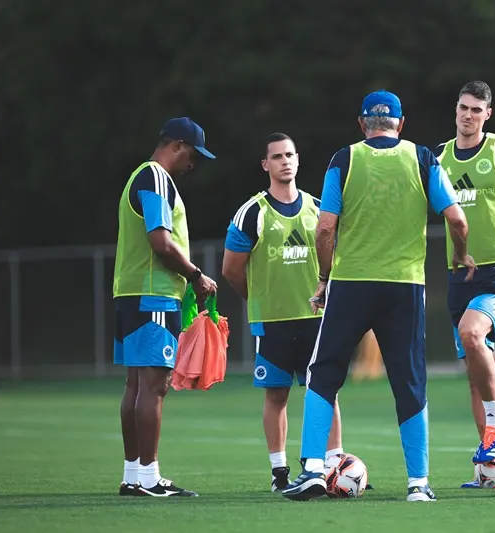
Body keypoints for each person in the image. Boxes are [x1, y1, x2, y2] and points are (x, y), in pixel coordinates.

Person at [282, 90, 475, 502]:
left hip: (351, 283)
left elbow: (324, 228)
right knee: (410, 382)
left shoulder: (345, 159)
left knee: (323, 373)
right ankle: (418, 484)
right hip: (405, 285)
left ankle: (314, 469)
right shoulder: (423, 158)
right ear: (400, 124)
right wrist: (461, 255)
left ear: (361, 124)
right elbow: (457, 220)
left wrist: (323, 276)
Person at [221, 133, 345, 492]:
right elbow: (231, 270)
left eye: (289, 154)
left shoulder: (318, 208)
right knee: (276, 395)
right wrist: (258, 297)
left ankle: (335, 467)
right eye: (276, 156)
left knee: (325, 392)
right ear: (266, 165)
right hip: (272, 323)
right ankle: (280, 473)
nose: (284, 161)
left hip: (316, 318)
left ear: (298, 159)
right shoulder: (252, 213)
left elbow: (336, 258)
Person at [113, 117, 218, 497]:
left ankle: (132, 475)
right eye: (193, 154)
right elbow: (160, 241)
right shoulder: (156, 177)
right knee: (154, 387)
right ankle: (149, 476)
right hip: (154, 294)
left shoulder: (136, 176)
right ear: (177, 145)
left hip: (129, 292)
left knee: (135, 386)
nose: (194, 163)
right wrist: (195, 275)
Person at [433, 80, 495, 486]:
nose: (468, 115)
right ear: (455, 109)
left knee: (472, 334)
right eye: (462, 108)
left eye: (476, 109)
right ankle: (492, 462)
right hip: (461, 274)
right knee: (475, 370)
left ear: (487, 114)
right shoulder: (438, 159)